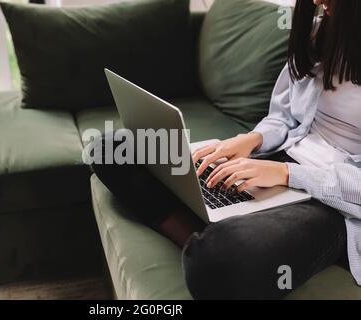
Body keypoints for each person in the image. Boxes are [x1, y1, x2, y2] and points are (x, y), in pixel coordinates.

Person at [90, 0, 361, 299]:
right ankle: (208, 227)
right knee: (111, 148)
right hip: (275, 159)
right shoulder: (320, 33)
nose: (317, 2)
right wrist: (251, 140)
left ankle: (213, 239)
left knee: (222, 259)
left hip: (334, 200)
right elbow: (285, 116)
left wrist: (287, 174)